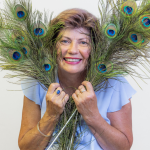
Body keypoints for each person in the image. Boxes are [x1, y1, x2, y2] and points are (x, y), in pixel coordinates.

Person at [18, 8, 136, 150]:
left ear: (94, 49)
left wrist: (92, 115)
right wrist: (51, 115)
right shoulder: (36, 82)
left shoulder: (114, 84)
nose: (73, 50)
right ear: (53, 46)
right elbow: (26, 147)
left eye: (83, 42)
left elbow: (123, 147)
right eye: (65, 41)